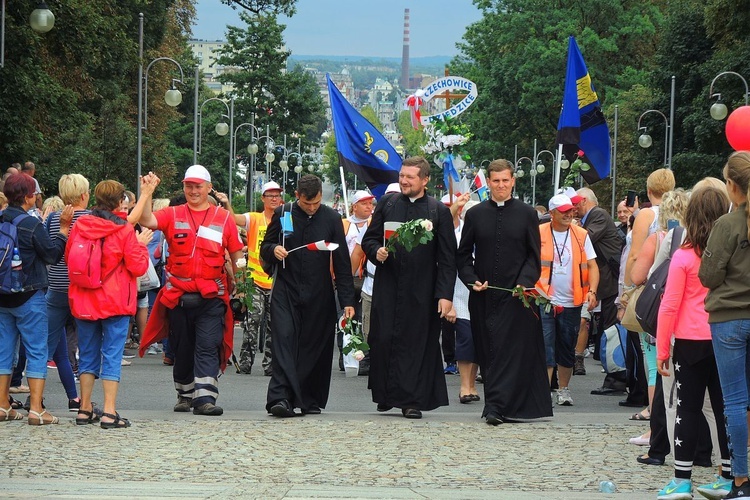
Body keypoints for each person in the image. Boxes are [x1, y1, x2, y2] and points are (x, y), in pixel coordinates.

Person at [137, 165, 244, 416]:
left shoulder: (224, 217)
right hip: (179, 296)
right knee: (182, 346)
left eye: (198, 186)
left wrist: (240, 284)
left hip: (212, 295)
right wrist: (147, 192)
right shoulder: (172, 213)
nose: (193, 191)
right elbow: (145, 220)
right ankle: (185, 394)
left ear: (209, 188)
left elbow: (237, 253)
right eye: (189, 186)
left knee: (208, 344)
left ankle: (205, 398)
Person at [456, 159, 552, 425]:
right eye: (495, 181)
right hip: (484, 295)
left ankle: (502, 406)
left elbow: (534, 256)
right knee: (490, 351)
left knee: (513, 352)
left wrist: (523, 282)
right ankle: (494, 404)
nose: (500, 186)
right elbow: (463, 256)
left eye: (505, 181)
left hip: (516, 297)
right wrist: (471, 279)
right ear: (488, 182)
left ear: (513, 181)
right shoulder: (475, 215)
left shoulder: (526, 213)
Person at [362, 156, 455, 420]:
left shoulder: (439, 211)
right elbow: (370, 239)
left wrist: (445, 296)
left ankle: (411, 401)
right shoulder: (388, 204)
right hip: (389, 285)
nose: (403, 180)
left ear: (424, 180)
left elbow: (447, 259)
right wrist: (375, 251)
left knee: (415, 344)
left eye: (410, 177)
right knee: (383, 340)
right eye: (402, 175)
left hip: (422, 290)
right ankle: (385, 394)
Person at [655, 186, 733, 500]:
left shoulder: (683, 256)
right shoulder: (734, 254)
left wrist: (662, 348)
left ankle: (682, 479)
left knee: (686, 409)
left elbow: (669, 305)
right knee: (726, 409)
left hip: (689, 341)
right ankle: (728, 475)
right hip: (725, 337)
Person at [260, 174, 355, 417]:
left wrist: (347, 301)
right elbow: (265, 247)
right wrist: (274, 249)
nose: (311, 208)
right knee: (284, 342)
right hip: (286, 290)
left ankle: (308, 398)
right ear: (297, 196)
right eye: (306, 204)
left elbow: (342, 263)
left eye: (316, 203)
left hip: (319, 292)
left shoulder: (332, 218)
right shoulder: (284, 213)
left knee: (314, 347)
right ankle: (280, 398)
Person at [66, 180, 150, 429]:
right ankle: (109, 412)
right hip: (114, 300)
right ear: (120, 201)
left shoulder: (80, 225)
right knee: (111, 355)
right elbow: (138, 266)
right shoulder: (124, 230)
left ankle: (84, 408)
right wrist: (142, 247)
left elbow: (70, 254)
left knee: (88, 355)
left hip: (84, 299)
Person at [0, 173, 72, 424]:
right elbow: (52, 255)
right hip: (29, 295)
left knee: (4, 352)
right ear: (29, 197)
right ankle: (36, 410)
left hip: (2, 297)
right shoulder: (31, 224)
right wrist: (63, 229)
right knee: (37, 350)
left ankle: (2, 406)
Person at [699, 151, 750, 499]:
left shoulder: (728, 225)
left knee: (734, 401)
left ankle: (742, 480)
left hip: (730, 317)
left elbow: (708, 274)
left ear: (732, 186)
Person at [537, 194, 599, 407]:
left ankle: (563, 389)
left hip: (573, 300)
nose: (568, 214)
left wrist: (592, 291)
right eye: (563, 211)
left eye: (570, 210)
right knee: (546, 346)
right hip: (544, 299)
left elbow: (592, 266)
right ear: (551, 213)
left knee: (566, 346)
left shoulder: (581, 235)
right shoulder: (539, 233)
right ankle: (544, 392)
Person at [45, 174, 92, 412]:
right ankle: (83, 402)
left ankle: (37, 396)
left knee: (48, 346)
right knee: (87, 346)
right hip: (83, 289)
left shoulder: (53, 218)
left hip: (56, 288)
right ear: (85, 194)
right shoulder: (93, 218)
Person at [228, 181, 283, 376]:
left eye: (277, 195)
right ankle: (245, 363)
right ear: (263, 199)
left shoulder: (286, 219)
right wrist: (226, 202)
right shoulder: (254, 218)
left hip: (276, 281)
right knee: (252, 322)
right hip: (255, 282)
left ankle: (270, 365)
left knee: (273, 325)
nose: (274, 199)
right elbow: (233, 218)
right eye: (270, 195)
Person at [575, 187, 622, 376]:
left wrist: (570, 226)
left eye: (575, 203)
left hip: (610, 279)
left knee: (610, 325)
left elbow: (585, 239)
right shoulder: (591, 218)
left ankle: (615, 372)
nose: (573, 207)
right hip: (604, 279)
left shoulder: (599, 215)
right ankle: (612, 369)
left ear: (584, 200)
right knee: (605, 323)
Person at [445, 197, 480, 403]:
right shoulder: (457, 236)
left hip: (481, 297)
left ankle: (473, 384)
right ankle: (464, 386)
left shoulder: (487, 235)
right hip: (459, 297)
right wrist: (448, 302)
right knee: (466, 340)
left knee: (477, 342)